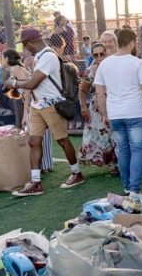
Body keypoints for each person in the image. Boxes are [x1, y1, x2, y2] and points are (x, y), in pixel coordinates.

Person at [5, 28, 84, 196]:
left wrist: (14, 83)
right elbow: (33, 82)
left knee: (62, 140)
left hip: (50, 104)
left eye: (25, 45)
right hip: (37, 105)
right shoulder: (40, 57)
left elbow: (33, 83)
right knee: (34, 142)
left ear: (32, 42)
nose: (24, 49)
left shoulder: (48, 56)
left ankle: (77, 173)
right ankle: (36, 183)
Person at [94, 29, 142, 196]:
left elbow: (100, 93)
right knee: (137, 150)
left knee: (123, 150)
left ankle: (127, 187)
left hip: (115, 114)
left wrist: (104, 114)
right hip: (136, 112)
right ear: (131, 43)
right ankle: (135, 190)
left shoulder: (104, 64)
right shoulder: (138, 63)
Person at [78, 42, 118, 174]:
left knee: (116, 134)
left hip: (115, 103)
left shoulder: (114, 67)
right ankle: (112, 164)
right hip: (97, 106)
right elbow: (83, 90)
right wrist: (83, 107)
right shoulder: (90, 70)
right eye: (96, 55)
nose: (99, 57)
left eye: (102, 54)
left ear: (107, 53)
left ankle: (120, 162)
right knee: (102, 135)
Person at [1, 49, 28, 130]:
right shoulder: (13, 69)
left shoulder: (16, 68)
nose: (0, 60)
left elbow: (27, 88)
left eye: (2, 58)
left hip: (30, 102)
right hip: (26, 101)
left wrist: (25, 116)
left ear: (6, 59)